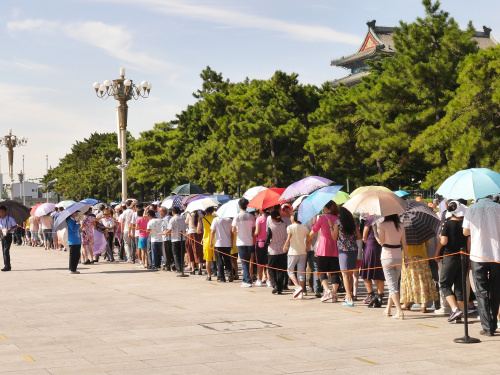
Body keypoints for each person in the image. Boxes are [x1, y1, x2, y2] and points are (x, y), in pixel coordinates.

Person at [463, 194, 500, 336]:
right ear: (491, 195)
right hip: (496, 254)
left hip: (478, 253)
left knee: (481, 291)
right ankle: (493, 324)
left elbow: (465, 231)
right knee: (496, 289)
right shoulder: (498, 208)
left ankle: (487, 326)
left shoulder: (471, 209)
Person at [373, 215, 409, 320]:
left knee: (392, 286)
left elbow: (381, 241)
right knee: (394, 284)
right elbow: (404, 243)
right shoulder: (400, 225)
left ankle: (399, 311)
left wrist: (375, 231)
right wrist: (406, 257)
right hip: (398, 256)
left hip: (387, 256)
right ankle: (388, 309)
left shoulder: (383, 225)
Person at [438, 201, 468, 322]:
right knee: (460, 286)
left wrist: (441, 236)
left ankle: (455, 309)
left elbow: (444, 241)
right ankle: (459, 315)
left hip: (450, 256)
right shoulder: (465, 224)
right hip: (464, 256)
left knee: (444, 283)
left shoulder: (447, 223)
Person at [307, 201, 341, 303]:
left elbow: (313, 231)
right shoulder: (337, 218)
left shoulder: (322, 218)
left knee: (321, 270)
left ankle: (327, 291)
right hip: (335, 247)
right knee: (335, 271)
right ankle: (334, 294)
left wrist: (307, 241)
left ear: (326, 208)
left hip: (323, 247)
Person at [332, 206, 362, 307]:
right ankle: (349, 295)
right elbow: (359, 236)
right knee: (349, 274)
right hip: (353, 249)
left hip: (343, 250)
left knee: (344, 275)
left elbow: (334, 237)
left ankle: (349, 297)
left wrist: (331, 228)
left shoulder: (338, 223)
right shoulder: (353, 222)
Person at [283, 210, 310, 299]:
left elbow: (288, 239)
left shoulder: (290, 227)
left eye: (291, 216)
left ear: (294, 217)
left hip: (293, 252)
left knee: (290, 270)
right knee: (301, 272)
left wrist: (285, 246)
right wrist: (306, 247)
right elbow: (308, 238)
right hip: (302, 251)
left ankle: (297, 287)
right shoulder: (304, 227)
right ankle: (301, 292)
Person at [360, 215, 385, 307]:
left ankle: (371, 294)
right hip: (382, 247)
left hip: (371, 245)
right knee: (379, 272)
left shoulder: (370, 219)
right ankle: (380, 295)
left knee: (366, 271)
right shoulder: (384, 218)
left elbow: (364, 236)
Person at [232, 198, 255, 287]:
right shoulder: (251, 216)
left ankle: (248, 280)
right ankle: (245, 280)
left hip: (240, 241)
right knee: (247, 261)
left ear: (239, 206)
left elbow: (233, 229)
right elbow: (253, 229)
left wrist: (239, 232)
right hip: (249, 241)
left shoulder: (237, 216)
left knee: (243, 262)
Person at [266, 210, 288, 295]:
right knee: (281, 270)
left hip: (273, 251)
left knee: (271, 269)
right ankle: (280, 288)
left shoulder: (271, 227)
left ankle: (274, 284)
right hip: (282, 250)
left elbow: (267, 240)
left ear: (272, 218)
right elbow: (286, 237)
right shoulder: (284, 225)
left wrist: (267, 243)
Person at [210, 212, 234, 282]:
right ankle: (229, 273)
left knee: (219, 261)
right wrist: (231, 243)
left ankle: (221, 277)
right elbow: (231, 233)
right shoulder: (229, 220)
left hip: (218, 244)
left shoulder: (216, 220)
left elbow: (212, 232)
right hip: (227, 243)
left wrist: (211, 241)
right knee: (227, 260)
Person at [166, 206, 186, 273]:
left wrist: (164, 233)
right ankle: (181, 267)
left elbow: (170, 229)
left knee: (175, 254)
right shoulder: (183, 218)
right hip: (182, 238)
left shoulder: (172, 219)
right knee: (181, 254)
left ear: (173, 212)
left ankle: (178, 268)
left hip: (175, 239)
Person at [254, 209, 270, 287]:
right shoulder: (270, 219)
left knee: (259, 263)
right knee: (267, 263)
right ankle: (269, 281)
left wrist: (252, 234)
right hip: (269, 242)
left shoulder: (259, 219)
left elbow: (257, 232)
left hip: (260, 242)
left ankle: (259, 280)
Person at [198, 206, 216, 281]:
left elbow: (198, 231)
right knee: (217, 259)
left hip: (206, 241)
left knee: (207, 260)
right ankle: (217, 273)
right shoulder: (215, 218)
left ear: (205, 211)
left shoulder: (202, 219)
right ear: (212, 211)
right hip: (216, 240)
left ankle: (209, 275)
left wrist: (204, 231)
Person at [185, 208, 204, 275]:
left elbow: (186, 222)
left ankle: (193, 269)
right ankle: (200, 268)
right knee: (198, 250)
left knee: (190, 251)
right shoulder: (201, 215)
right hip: (198, 234)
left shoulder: (189, 214)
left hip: (190, 234)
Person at [0, 206, 17, 272]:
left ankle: (8, 266)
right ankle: (6, 265)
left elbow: (15, 225)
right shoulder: (0, 220)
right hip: (3, 235)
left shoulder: (10, 218)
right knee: (3, 251)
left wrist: (10, 228)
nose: (1, 213)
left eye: (2, 212)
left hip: (8, 235)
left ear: (5, 211)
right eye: (0, 212)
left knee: (6, 250)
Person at [159, 207, 173, 271]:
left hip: (167, 238)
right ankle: (168, 265)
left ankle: (168, 266)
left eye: (160, 212)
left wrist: (164, 233)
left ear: (164, 211)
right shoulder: (164, 218)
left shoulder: (167, 218)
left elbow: (169, 228)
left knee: (166, 253)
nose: (160, 213)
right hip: (165, 238)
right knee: (167, 253)